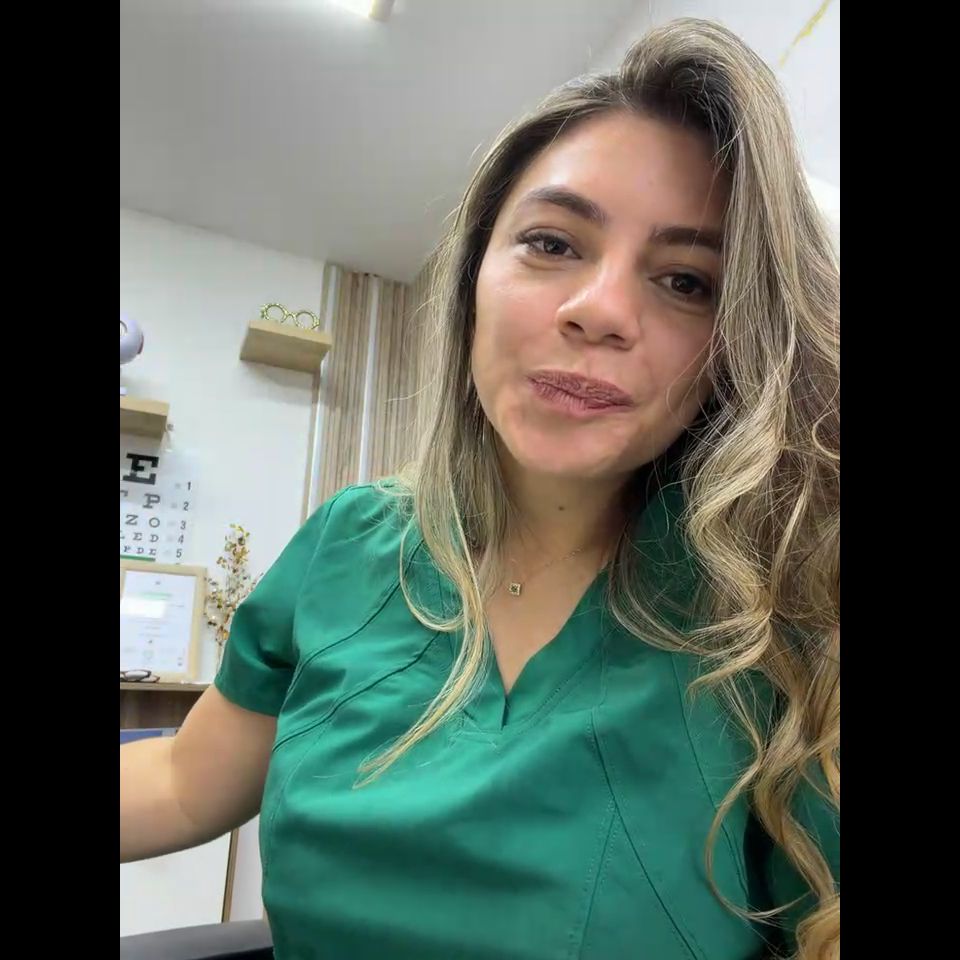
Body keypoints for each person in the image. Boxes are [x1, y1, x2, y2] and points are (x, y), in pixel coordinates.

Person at [120, 18, 840, 960]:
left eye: (685, 281)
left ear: (737, 345)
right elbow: (183, 781)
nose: (600, 311)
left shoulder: (779, 608)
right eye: (552, 243)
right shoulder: (350, 540)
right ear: (471, 283)